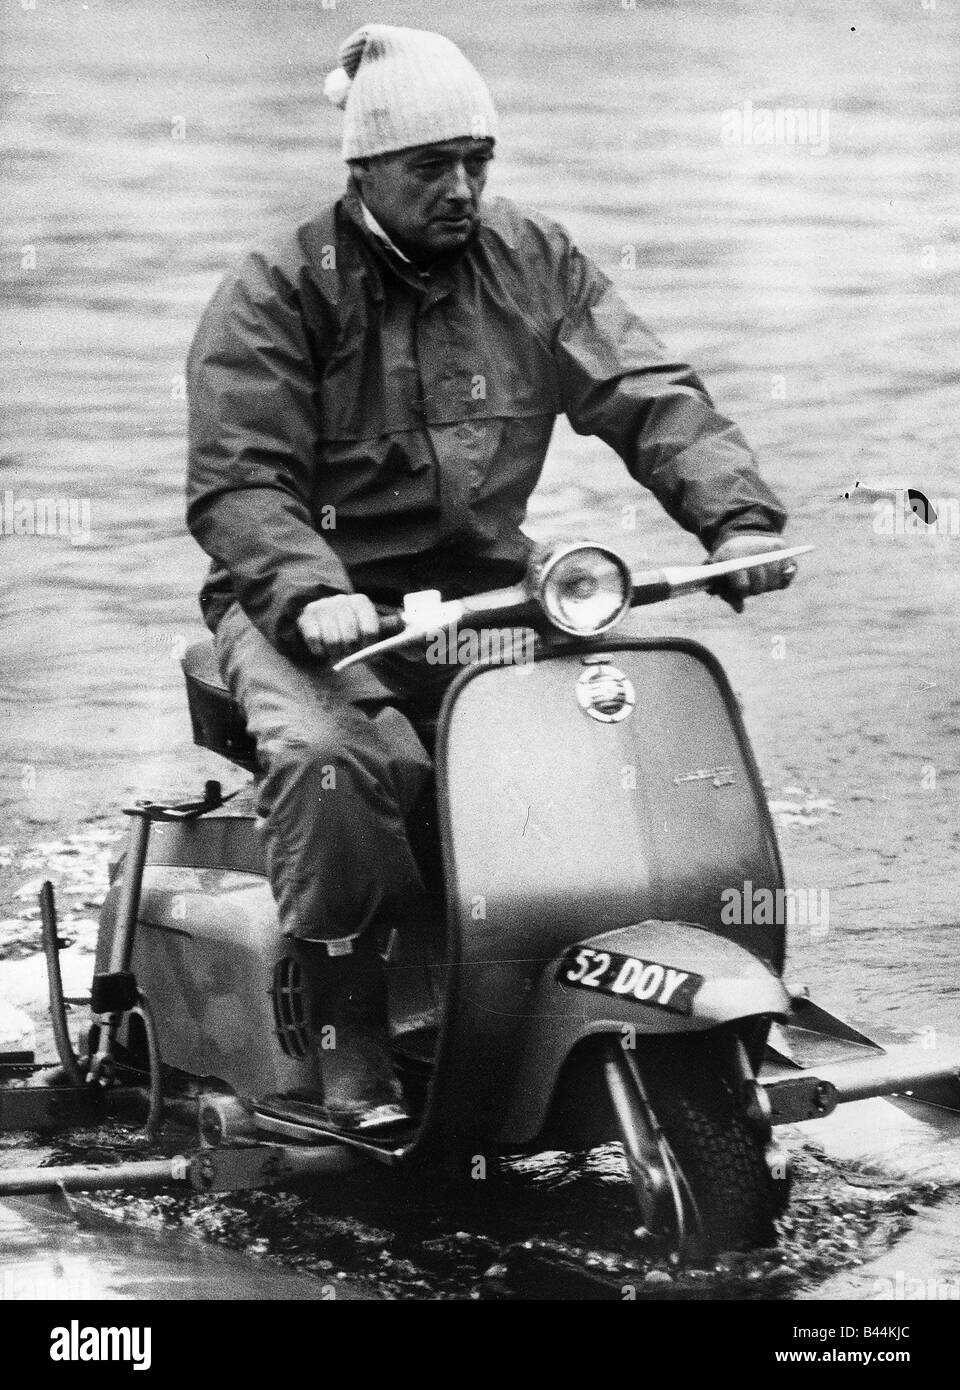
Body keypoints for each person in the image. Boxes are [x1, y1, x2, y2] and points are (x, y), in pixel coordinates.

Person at [185, 23, 795, 1132]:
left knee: (615, 722)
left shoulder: (533, 259)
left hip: (485, 588)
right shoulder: (277, 291)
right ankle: (349, 1025)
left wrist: (735, 517)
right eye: (431, 166)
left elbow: (646, 387)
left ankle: (584, 969)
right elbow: (241, 485)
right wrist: (310, 591)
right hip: (313, 609)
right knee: (338, 761)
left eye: (477, 160)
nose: (461, 188)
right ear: (363, 169)